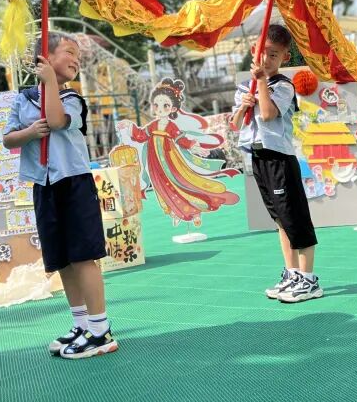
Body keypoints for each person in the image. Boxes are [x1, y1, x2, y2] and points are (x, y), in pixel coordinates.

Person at [2, 33, 117, 359]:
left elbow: (55, 121)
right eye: (69, 51)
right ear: (45, 57)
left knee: (83, 256)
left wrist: (50, 82)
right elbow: (8, 139)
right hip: (44, 185)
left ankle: (100, 329)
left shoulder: (72, 98)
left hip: (74, 183)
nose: (76, 59)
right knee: (62, 259)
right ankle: (81, 324)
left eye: (78, 55)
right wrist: (29, 133)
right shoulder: (24, 99)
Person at [231, 24, 321, 303]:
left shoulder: (282, 85)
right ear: (253, 51)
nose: (267, 59)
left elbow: (268, 115)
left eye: (274, 55)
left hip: (280, 159)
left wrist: (260, 83)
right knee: (280, 220)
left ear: (285, 57)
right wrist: (245, 104)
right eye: (263, 53)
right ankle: (292, 272)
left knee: (295, 219)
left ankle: (308, 278)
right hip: (259, 158)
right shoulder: (244, 88)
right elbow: (235, 124)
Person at [115, 77, 239, 227]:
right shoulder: (152, 125)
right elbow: (140, 136)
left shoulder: (171, 126)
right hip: (155, 162)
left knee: (181, 183)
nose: (160, 109)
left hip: (170, 160)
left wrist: (195, 147)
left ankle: (194, 211)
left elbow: (182, 140)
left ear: (173, 109)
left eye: (165, 105)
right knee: (161, 186)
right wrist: (128, 125)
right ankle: (175, 211)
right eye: (156, 105)